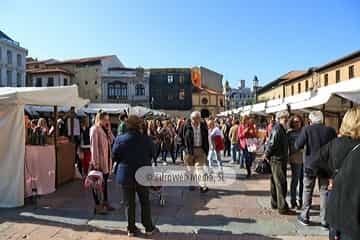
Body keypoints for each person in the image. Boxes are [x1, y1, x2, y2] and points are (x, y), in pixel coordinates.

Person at [311, 108, 360, 240]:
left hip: (335, 208)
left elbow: (313, 163)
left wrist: (330, 176)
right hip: (353, 215)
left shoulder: (335, 143)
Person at [112, 115, 158, 237]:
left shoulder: (120, 139)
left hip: (126, 174)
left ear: (128, 125)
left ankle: (131, 229)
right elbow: (153, 153)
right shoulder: (146, 139)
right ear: (139, 125)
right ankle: (148, 227)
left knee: (129, 203)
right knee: (145, 201)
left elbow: (115, 156)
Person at [295, 111, 337, 227]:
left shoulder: (307, 129)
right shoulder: (330, 131)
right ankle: (324, 220)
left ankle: (305, 216)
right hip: (325, 165)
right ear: (322, 119)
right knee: (323, 192)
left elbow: (297, 145)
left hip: (310, 164)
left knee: (307, 190)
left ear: (311, 120)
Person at [264, 110, 292, 215]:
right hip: (277, 160)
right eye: (284, 118)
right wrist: (266, 154)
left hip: (278, 159)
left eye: (287, 117)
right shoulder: (278, 129)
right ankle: (282, 207)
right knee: (281, 183)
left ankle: (275, 203)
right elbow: (272, 144)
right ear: (279, 119)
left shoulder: (281, 129)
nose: (286, 119)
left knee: (275, 182)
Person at [90, 111, 115, 214]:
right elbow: (94, 147)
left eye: (108, 119)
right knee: (96, 184)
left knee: (104, 183)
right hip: (99, 162)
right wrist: (96, 164)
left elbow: (112, 141)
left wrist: (109, 130)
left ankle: (105, 201)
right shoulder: (95, 129)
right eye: (105, 119)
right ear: (99, 119)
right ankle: (97, 205)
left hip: (106, 160)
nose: (107, 121)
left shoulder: (105, 129)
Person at [181, 111, 209, 193]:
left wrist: (206, 149)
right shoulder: (185, 125)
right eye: (193, 119)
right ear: (191, 118)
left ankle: (203, 185)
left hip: (200, 149)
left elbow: (206, 137)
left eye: (197, 119)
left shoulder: (203, 125)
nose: (195, 121)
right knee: (190, 169)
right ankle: (191, 183)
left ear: (200, 119)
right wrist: (183, 148)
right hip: (189, 151)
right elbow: (179, 137)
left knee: (199, 168)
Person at [287, 115, 304, 210]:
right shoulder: (290, 133)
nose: (297, 123)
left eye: (298, 121)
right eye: (295, 122)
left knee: (303, 182)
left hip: (304, 159)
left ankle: (301, 201)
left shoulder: (304, 131)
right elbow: (291, 147)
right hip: (295, 159)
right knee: (295, 181)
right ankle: (293, 201)